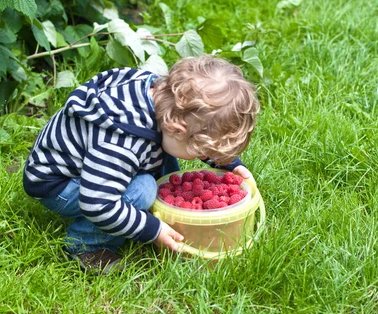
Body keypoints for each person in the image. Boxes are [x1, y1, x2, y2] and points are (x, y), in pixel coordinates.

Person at [23, 55, 259, 273]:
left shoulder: (160, 95)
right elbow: (97, 203)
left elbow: (196, 127)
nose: (205, 156)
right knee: (143, 189)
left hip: (97, 166)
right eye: (203, 151)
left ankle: (136, 216)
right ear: (177, 128)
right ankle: (86, 245)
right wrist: (151, 229)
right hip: (59, 185)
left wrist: (226, 161)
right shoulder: (121, 142)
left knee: (163, 159)